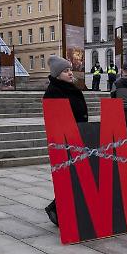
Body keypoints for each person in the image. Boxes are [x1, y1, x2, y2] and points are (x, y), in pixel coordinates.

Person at [43, 56, 87, 226]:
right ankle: (55, 208)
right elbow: (55, 119)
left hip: (79, 135)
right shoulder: (54, 92)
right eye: (65, 71)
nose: (70, 73)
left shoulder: (70, 87)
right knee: (71, 177)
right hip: (65, 139)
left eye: (69, 70)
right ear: (57, 75)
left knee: (76, 176)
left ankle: (62, 208)